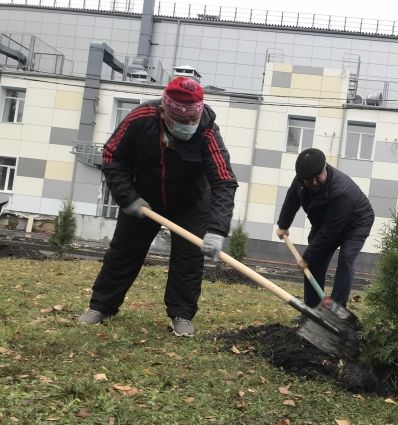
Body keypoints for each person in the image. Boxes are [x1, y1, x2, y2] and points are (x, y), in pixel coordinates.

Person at [78, 77, 238, 337]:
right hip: (144, 200)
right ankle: (102, 306)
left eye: (192, 121)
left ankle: (181, 315)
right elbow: (112, 156)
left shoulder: (206, 130)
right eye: (182, 121)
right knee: (123, 253)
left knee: (188, 259)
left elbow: (224, 181)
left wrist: (216, 229)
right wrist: (128, 197)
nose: (189, 126)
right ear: (164, 113)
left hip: (191, 203)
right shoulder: (140, 119)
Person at [276, 148, 374, 309]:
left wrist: (306, 257)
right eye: (309, 180)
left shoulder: (341, 191)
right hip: (326, 222)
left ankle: (336, 308)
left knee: (347, 257)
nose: (314, 182)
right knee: (314, 262)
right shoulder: (302, 179)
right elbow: (292, 198)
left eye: (318, 177)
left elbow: (330, 232)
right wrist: (283, 224)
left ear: (325, 167)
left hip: (356, 222)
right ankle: (312, 309)